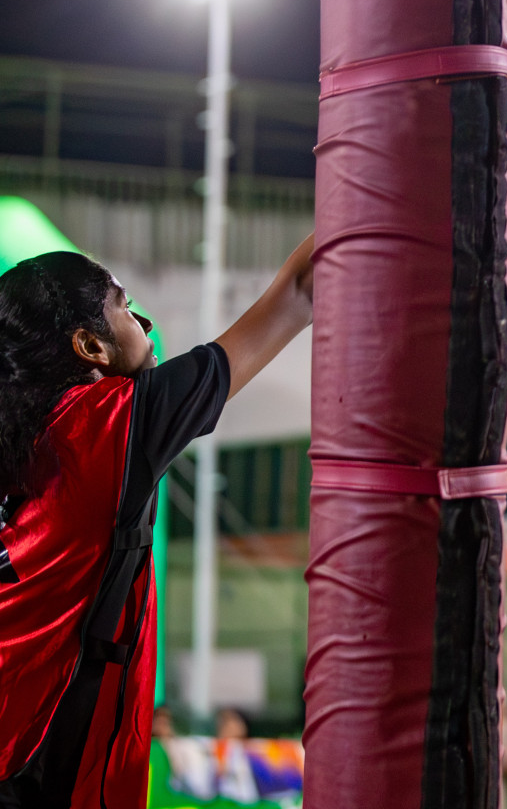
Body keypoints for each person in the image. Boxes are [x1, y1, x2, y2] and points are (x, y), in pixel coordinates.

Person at [0, 237, 314, 808]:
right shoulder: (107, 429)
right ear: (90, 345)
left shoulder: (27, 444)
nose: (141, 317)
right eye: (122, 304)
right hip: (43, 769)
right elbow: (298, 291)